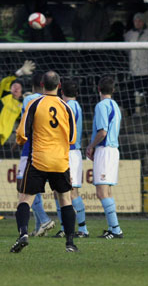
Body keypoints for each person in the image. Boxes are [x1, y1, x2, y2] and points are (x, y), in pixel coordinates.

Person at [10, 71, 78, 253]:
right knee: (65, 199)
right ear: (59, 85)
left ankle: (23, 233)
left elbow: (22, 134)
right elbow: (72, 138)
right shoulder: (66, 107)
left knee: (25, 198)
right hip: (60, 161)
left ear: (42, 84)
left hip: (39, 159)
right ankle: (70, 243)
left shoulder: (34, 104)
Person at [16, 72, 55, 237]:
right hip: (50, 150)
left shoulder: (29, 99)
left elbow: (26, 123)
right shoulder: (54, 101)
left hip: (30, 149)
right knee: (35, 188)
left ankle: (45, 220)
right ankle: (40, 226)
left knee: (22, 186)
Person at [86, 76, 123, 239]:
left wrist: (91, 145)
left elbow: (103, 132)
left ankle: (116, 229)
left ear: (98, 89)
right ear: (113, 90)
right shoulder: (115, 105)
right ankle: (112, 228)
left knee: (101, 192)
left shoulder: (101, 106)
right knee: (107, 191)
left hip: (105, 149)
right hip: (113, 150)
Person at [53, 79, 89, 238]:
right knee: (59, 191)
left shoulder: (68, 107)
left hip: (70, 152)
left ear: (61, 92)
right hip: (69, 152)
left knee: (71, 191)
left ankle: (82, 229)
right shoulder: (75, 106)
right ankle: (65, 228)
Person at [0, 60, 35, 164]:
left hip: (0, 138)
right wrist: (20, 72)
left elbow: (24, 121)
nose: (16, 88)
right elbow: (5, 82)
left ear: (21, 92)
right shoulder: (4, 95)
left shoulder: (20, 106)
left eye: (19, 87)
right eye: (14, 86)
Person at [123, 12, 148, 119]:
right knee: (135, 90)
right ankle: (135, 110)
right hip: (135, 68)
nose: (137, 23)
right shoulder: (129, 34)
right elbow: (126, 50)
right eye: (136, 21)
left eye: (139, 21)